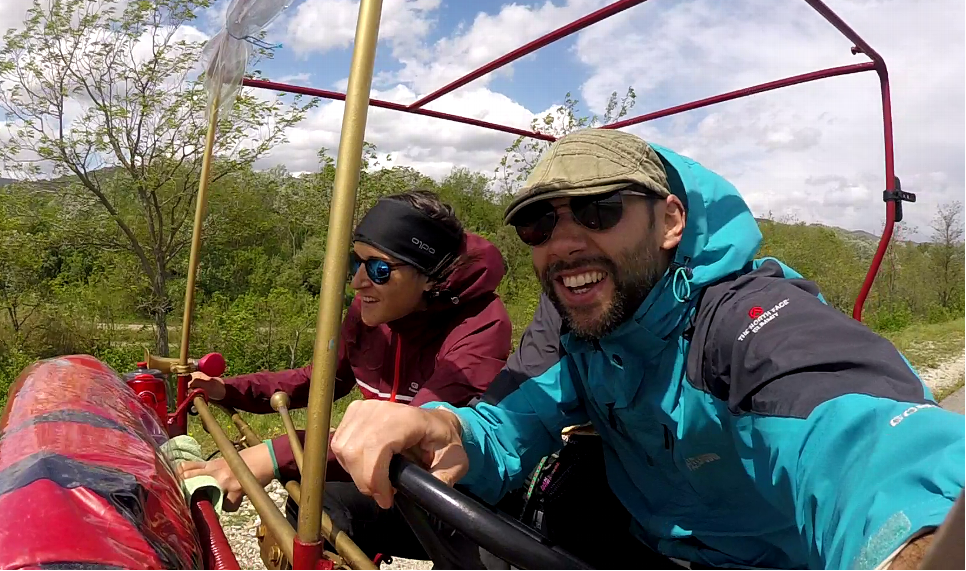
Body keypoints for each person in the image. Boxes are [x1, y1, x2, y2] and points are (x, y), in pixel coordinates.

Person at [330, 129, 966, 570]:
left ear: (670, 221)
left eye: (600, 211)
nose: (566, 241)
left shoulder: (748, 322)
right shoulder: (574, 322)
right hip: (641, 548)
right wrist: (444, 427)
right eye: (540, 223)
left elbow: (862, 440)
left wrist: (915, 542)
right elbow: (511, 419)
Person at [178, 189, 514, 562]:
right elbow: (320, 380)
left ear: (430, 277)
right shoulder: (369, 310)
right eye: (357, 263)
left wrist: (270, 455)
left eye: (379, 269)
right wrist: (229, 390)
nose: (357, 283)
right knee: (313, 506)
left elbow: (409, 440)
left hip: (457, 500)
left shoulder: (481, 326)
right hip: (392, 490)